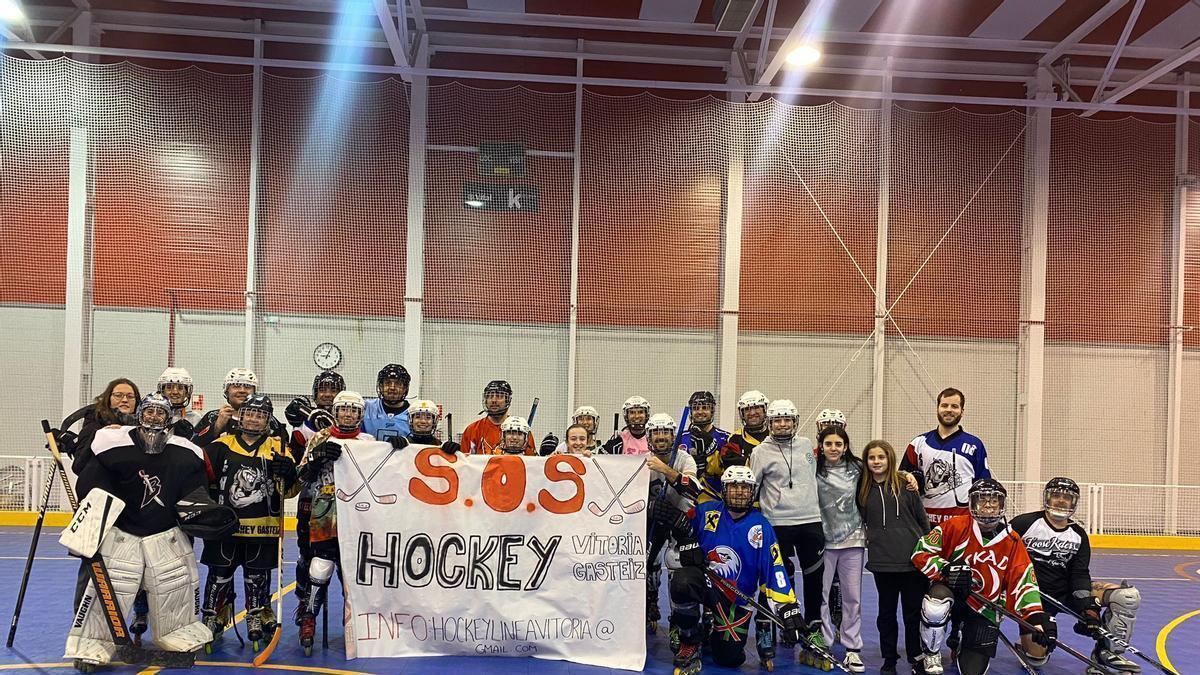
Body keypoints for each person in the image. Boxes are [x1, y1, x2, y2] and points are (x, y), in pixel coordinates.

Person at [65, 392, 236, 669]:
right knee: (107, 591)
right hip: (121, 533)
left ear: (169, 418)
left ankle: (177, 635)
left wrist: (204, 514)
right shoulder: (112, 444)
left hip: (166, 534)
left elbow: (193, 494)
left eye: (161, 413)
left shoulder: (186, 452)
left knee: (176, 587)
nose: (154, 418)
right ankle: (92, 645)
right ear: (140, 414)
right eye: (149, 412)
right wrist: (88, 524)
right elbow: (91, 487)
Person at [660, 464, 805, 674]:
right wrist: (672, 519)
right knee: (682, 581)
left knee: (729, 658)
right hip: (707, 584)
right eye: (734, 486)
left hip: (735, 598)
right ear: (724, 490)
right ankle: (689, 638)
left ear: (752, 491)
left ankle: (713, 628)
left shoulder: (761, 527)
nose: (739, 491)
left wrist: (788, 607)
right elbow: (684, 528)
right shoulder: (708, 512)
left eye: (745, 487)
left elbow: (775, 569)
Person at [911, 478, 1056, 675]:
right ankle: (931, 653)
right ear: (972, 503)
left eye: (994, 500)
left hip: (984, 607)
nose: (988, 504)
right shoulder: (954, 526)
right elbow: (920, 552)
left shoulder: (1012, 541)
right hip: (951, 593)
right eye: (982, 499)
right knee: (935, 605)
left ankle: (961, 637)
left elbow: (1023, 581)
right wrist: (946, 569)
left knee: (973, 671)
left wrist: (1036, 617)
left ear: (1002, 504)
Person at [1011, 478, 1141, 674]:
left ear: (1074, 502)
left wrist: (1088, 609)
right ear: (1047, 498)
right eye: (1056, 496)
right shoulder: (1024, 523)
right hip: (1032, 596)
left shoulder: (1078, 534)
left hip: (1065, 591)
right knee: (1037, 658)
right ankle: (1025, 645)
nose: (1061, 501)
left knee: (1127, 597)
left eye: (1067, 497)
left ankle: (1105, 653)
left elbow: (1079, 574)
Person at [296, 391, 391, 655]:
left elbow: (385, 475)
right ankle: (308, 618)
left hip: (360, 515)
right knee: (320, 567)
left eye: (353, 410)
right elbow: (302, 475)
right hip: (326, 514)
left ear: (360, 415)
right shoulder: (320, 437)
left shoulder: (368, 441)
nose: (348, 414)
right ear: (335, 412)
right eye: (343, 410)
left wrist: (398, 447)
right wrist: (317, 458)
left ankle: (357, 623)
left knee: (355, 573)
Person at [200, 393, 298, 652]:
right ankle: (212, 614)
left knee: (257, 575)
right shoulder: (222, 444)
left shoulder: (277, 447)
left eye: (260, 415)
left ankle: (256, 612)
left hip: (262, 527)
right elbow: (198, 471)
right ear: (240, 416)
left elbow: (290, 491)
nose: (254, 419)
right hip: (225, 527)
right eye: (250, 413)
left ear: (267, 420)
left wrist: (289, 473)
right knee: (219, 573)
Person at [747, 399, 827, 668]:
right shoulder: (760, 452)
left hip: (810, 521)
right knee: (775, 579)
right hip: (777, 523)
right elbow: (751, 488)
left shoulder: (806, 446)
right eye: (777, 420)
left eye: (787, 420)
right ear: (769, 423)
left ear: (795, 421)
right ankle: (770, 628)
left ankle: (813, 628)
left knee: (815, 578)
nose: (783, 424)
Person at [859, 440, 931, 675]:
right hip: (882, 563)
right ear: (867, 461)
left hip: (912, 563)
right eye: (872, 458)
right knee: (886, 614)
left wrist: (928, 550)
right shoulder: (862, 488)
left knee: (913, 614)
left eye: (881, 457)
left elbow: (922, 521)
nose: (876, 462)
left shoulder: (906, 485)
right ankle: (889, 658)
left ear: (890, 458)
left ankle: (916, 656)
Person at [283, 371, 342, 626]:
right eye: (323, 389)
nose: (327, 394)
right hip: (312, 500)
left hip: (346, 504)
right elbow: (296, 468)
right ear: (315, 393)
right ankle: (304, 604)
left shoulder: (358, 426)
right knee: (307, 555)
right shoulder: (301, 429)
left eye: (333, 389)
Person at [814, 426, 867, 673]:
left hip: (853, 539)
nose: (833, 448)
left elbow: (883, 473)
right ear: (821, 446)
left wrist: (908, 478)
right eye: (828, 444)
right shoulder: (812, 469)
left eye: (838, 444)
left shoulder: (858, 468)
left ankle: (852, 647)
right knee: (821, 596)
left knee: (852, 597)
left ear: (845, 446)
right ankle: (824, 642)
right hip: (823, 541)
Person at [642, 412, 699, 635]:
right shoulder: (642, 461)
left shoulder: (684, 459)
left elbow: (694, 488)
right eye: (656, 432)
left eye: (665, 432)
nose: (661, 437)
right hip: (655, 519)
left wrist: (664, 469)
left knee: (677, 567)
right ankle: (650, 601)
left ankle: (678, 620)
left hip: (681, 521)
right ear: (649, 437)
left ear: (673, 435)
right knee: (650, 563)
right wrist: (649, 507)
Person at [901, 387, 990, 525]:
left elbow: (983, 486)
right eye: (944, 405)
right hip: (924, 523)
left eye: (954, 406)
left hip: (961, 525)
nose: (949, 410)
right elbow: (902, 478)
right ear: (937, 408)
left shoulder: (974, 445)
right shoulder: (918, 444)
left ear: (962, 411)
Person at [64, 378, 141, 475]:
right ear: (108, 398)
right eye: (118, 395)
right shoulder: (94, 424)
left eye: (130, 396)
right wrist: (102, 435)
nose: (125, 400)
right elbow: (79, 466)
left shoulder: (142, 428)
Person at [679, 390, 731, 500]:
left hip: (716, 499)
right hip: (685, 499)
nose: (700, 412)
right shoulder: (680, 438)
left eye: (705, 408)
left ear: (712, 411)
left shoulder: (726, 438)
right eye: (696, 408)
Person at [195, 368, 264, 446]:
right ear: (226, 391)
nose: (242, 390)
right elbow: (193, 446)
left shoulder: (267, 419)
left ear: (254, 392)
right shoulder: (212, 417)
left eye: (247, 386)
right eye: (236, 386)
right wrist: (217, 426)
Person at [462, 380, 534, 455]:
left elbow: (530, 462)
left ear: (508, 400)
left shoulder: (521, 429)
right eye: (490, 396)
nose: (493, 400)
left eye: (499, 396)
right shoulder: (472, 430)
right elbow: (464, 462)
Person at [362, 363, 411, 442]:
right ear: (381, 386)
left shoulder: (414, 415)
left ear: (405, 388)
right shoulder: (366, 407)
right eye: (387, 383)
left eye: (398, 384)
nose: (392, 387)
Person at [721, 390, 771, 466]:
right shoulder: (735, 438)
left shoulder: (775, 435)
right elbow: (728, 462)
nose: (752, 413)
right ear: (742, 414)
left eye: (756, 407)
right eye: (747, 409)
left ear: (765, 410)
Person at [157, 367, 200, 440]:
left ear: (187, 392)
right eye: (169, 387)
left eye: (180, 388)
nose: (175, 392)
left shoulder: (196, 418)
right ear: (162, 391)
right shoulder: (154, 415)